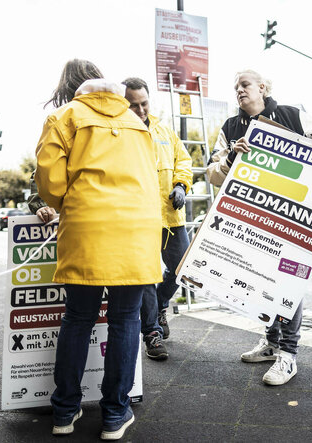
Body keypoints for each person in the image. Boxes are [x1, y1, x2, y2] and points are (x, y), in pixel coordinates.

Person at [35, 59, 161, 440]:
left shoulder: (65, 117)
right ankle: (114, 415)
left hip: (88, 229)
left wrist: (67, 203)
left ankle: (64, 412)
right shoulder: (137, 121)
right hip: (137, 231)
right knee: (126, 321)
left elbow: (51, 184)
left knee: (78, 318)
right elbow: (151, 173)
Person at [206, 69, 312, 386]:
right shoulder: (230, 127)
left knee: (288, 284)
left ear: (262, 87)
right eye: (235, 87)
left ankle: (288, 354)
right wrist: (232, 156)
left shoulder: (291, 114)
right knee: (261, 281)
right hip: (253, 216)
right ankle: (271, 343)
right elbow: (213, 172)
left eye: (244, 85)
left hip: (292, 215)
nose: (238, 91)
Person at [122, 77, 193, 361]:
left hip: (171, 215)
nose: (140, 111)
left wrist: (181, 185)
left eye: (144, 104)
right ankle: (151, 332)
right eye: (133, 105)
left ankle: (162, 303)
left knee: (183, 267)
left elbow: (183, 161)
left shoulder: (164, 129)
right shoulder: (121, 132)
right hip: (139, 218)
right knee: (147, 276)